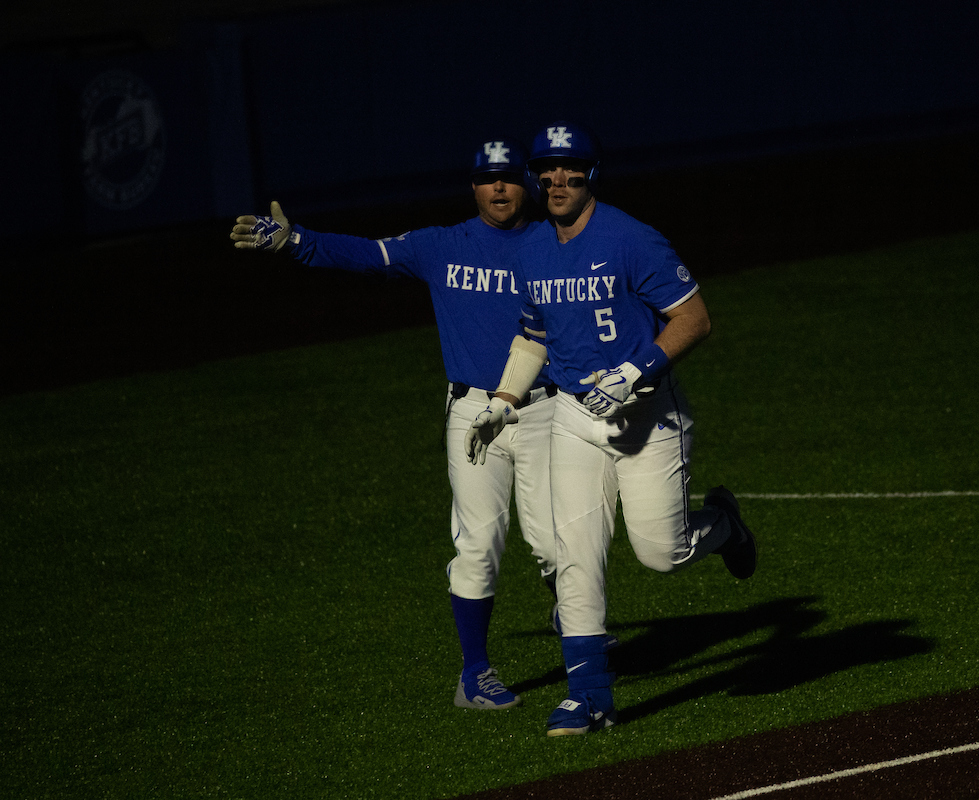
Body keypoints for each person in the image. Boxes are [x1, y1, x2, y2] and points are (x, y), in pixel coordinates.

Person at [230, 138, 557, 711]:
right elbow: (366, 254)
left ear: (525, 184)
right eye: (488, 178)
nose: (499, 188)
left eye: (508, 177)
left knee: (559, 541)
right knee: (479, 544)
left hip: (546, 410)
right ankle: (475, 674)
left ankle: (575, 623)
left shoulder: (555, 244)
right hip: (471, 415)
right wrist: (297, 241)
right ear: (473, 186)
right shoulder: (440, 246)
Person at [465, 122, 758, 736]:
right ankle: (590, 695)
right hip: (574, 418)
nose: (557, 178)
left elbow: (695, 319)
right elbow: (534, 334)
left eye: (571, 168)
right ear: (535, 176)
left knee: (661, 553)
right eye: (547, 168)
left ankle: (726, 526)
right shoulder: (534, 249)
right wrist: (503, 399)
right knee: (576, 555)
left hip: (647, 417)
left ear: (591, 174)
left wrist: (634, 369)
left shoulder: (633, 239)